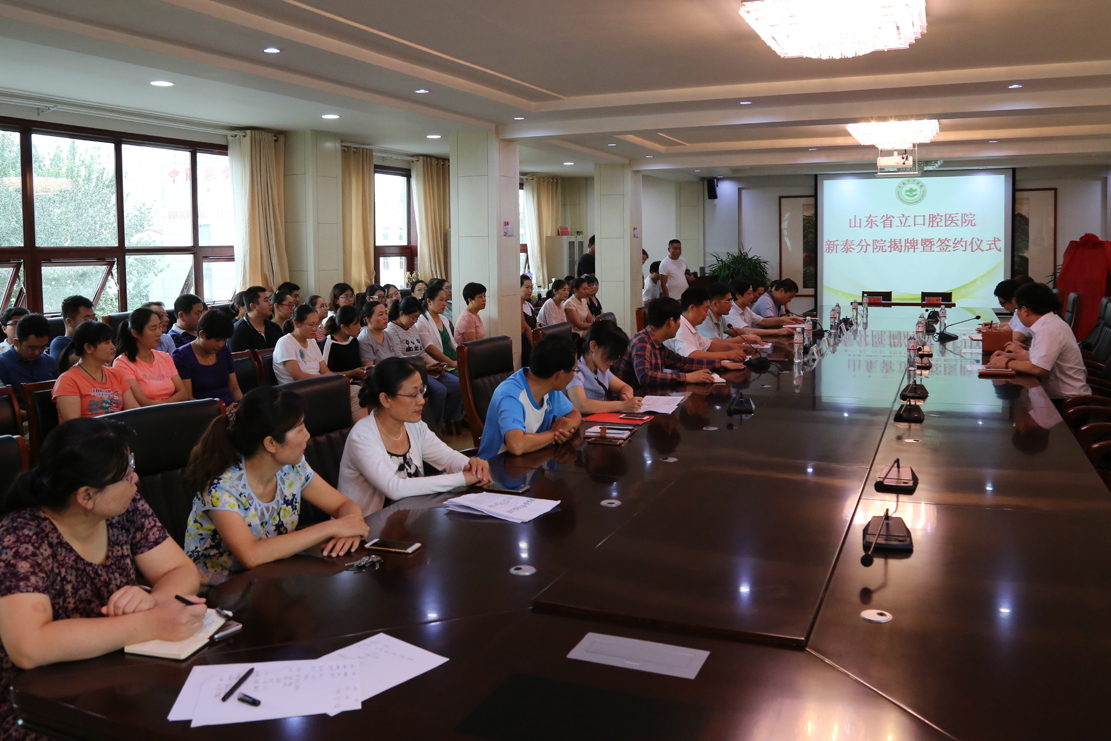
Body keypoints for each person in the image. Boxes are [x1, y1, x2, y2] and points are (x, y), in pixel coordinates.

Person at [0, 418, 208, 740]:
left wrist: (152, 599)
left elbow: (180, 571)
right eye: (127, 473)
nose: (135, 478)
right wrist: (151, 622)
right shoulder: (21, 536)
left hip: (116, 675)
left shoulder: (124, 507)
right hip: (37, 703)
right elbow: (30, 647)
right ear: (86, 495)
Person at [182, 387, 369, 582]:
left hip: (274, 575)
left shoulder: (292, 468)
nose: (307, 435)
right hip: (221, 588)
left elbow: (344, 505)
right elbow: (251, 556)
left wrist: (350, 531)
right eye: (300, 429)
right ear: (271, 443)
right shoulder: (222, 488)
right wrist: (331, 528)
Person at [338, 358, 491, 516]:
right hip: (365, 526)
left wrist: (472, 466)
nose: (421, 401)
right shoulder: (362, 435)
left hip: (407, 521)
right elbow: (394, 488)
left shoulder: (414, 426)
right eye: (413, 394)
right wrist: (462, 478)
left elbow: (448, 458)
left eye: (421, 391)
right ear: (386, 399)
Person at [477, 334, 582, 459]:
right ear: (559, 375)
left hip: (531, 462)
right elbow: (516, 445)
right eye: (575, 370)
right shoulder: (511, 395)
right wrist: (554, 433)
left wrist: (566, 428)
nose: (575, 375)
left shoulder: (548, 387)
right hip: (496, 466)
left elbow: (574, 413)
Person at [986, 283, 1091, 400]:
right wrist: (1009, 356)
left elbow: (1039, 368)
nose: (1017, 313)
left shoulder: (1048, 329)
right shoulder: (1047, 323)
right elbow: (1037, 357)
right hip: (1057, 395)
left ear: (1025, 310)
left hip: (1067, 400)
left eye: (1017, 309)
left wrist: (1007, 363)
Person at [611, 298, 737, 388]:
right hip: (630, 404)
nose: (679, 324)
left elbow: (682, 362)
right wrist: (687, 377)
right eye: (678, 320)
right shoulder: (642, 342)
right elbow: (645, 376)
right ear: (671, 321)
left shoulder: (656, 343)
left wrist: (720, 364)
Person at [389, 297, 462, 432]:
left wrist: (437, 365)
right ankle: (434, 427)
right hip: (410, 372)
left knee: (457, 384)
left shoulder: (412, 328)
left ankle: (450, 418)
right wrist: (425, 367)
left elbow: (422, 352)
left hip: (425, 368)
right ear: (401, 313)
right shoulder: (391, 330)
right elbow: (398, 358)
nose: (415, 321)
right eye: (412, 317)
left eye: (417, 318)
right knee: (439, 391)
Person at [53, 321, 138, 420]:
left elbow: (134, 412)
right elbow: (75, 425)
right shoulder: (67, 380)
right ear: (88, 348)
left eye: (111, 342)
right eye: (107, 343)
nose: (113, 346)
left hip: (115, 428)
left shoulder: (115, 374)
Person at [112, 307, 189, 407]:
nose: (159, 333)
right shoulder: (122, 363)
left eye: (159, 327)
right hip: (147, 414)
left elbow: (183, 393)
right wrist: (166, 406)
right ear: (135, 333)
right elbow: (142, 402)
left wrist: (165, 406)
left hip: (173, 411)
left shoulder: (165, 357)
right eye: (153, 328)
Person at [565, 320, 641, 415]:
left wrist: (626, 395)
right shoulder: (575, 371)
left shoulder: (600, 369)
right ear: (593, 346)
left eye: (616, 357)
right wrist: (623, 405)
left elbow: (625, 387)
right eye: (610, 355)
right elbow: (581, 405)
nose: (612, 362)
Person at [173, 308, 243, 408]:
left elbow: (234, 389)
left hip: (230, 408)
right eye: (217, 340)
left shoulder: (224, 352)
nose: (221, 345)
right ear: (202, 334)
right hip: (203, 411)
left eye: (224, 340)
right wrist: (221, 410)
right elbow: (187, 398)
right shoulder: (182, 356)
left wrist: (241, 406)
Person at [664, 287, 748, 361]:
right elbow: (690, 355)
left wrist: (735, 347)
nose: (707, 314)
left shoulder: (691, 327)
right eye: (706, 310)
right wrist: (727, 355)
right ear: (692, 308)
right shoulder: (680, 328)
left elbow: (709, 345)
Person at [0, 313, 58, 411]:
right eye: (32, 348)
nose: (37, 353)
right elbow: (3, 408)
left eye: (42, 347)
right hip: (21, 417)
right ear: (16, 342)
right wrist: (35, 416)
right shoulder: (2, 364)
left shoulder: (50, 361)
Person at [725, 279, 794, 338]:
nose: (752, 296)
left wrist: (787, 319)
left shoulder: (746, 309)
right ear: (738, 296)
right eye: (749, 293)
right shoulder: (730, 312)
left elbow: (764, 321)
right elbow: (745, 331)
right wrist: (778, 331)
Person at [323, 304, 371, 381]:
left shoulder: (353, 340)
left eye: (359, 323)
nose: (359, 327)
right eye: (355, 324)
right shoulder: (329, 343)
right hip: (338, 383)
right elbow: (324, 374)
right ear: (344, 327)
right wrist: (352, 373)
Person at [227, 286, 283, 352]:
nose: (271, 303)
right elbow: (240, 358)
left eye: (270, 300)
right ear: (253, 306)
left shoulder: (275, 327)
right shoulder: (237, 332)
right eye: (266, 301)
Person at [49, 295, 96, 372]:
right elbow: (85, 360)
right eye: (87, 320)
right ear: (70, 322)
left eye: (94, 319)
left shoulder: (94, 340)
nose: (93, 323)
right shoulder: (59, 343)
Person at [417, 284, 458, 373]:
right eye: (441, 300)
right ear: (429, 301)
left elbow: (453, 343)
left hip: (453, 356)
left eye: (445, 300)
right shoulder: (421, 321)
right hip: (440, 361)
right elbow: (429, 348)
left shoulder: (444, 319)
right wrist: (452, 363)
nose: (444, 304)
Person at [989, 278, 1035, 344]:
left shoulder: (1026, 312)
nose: (1003, 307)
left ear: (1014, 300)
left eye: (1002, 303)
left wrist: (991, 336)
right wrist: (993, 331)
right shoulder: (1018, 311)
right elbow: (1010, 327)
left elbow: (1016, 338)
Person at [359, 300, 396, 364]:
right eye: (380, 314)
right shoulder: (365, 339)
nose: (385, 317)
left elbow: (396, 359)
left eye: (386, 313)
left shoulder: (388, 335)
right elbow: (369, 368)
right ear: (369, 320)